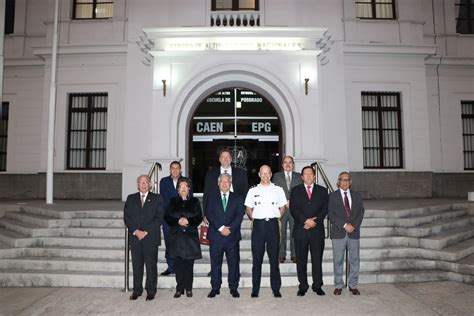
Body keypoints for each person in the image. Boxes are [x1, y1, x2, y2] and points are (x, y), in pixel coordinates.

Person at [245, 165, 287, 298]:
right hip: (258, 225)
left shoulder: (278, 190)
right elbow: (248, 208)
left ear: (271, 174)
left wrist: (276, 217)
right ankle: (255, 289)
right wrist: (256, 219)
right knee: (257, 260)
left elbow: (282, 207)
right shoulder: (252, 190)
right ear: (259, 174)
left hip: (273, 225)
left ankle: (276, 289)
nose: (265, 176)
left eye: (268, 173)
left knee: (274, 259)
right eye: (263, 173)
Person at [123, 175, 164, 301]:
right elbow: (127, 217)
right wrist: (136, 231)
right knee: (137, 265)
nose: (143, 184)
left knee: (151, 266)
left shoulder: (157, 198)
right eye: (141, 182)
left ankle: (151, 291)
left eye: (146, 182)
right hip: (135, 238)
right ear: (137, 184)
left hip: (150, 237)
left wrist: (145, 232)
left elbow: (159, 218)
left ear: (150, 184)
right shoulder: (131, 198)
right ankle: (137, 290)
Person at [290, 166, 328, 296]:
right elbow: (294, 209)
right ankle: (303, 286)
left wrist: (313, 223)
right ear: (301, 177)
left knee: (317, 260)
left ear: (314, 176)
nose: (308, 176)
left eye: (310, 174)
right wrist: (305, 221)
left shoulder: (323, 191)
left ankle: (317, 285)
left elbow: (324, 210)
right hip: (301, 230)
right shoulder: (295, 191)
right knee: (301, 260)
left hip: (317, 231)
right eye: (305, 174)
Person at [206, 173, 245, 299]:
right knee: (215, 264)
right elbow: (209, 214)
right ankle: (215, 288)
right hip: (216, 236)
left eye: (227, 181)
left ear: (230, 182)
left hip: (232, 237)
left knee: (233, 264)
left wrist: (230, 229)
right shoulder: (212, 197)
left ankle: (233, 288)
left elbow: (239, 216)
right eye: (222, 181)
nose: (224, 184)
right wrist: (221, 228)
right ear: (218, 183)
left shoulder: (237, 198)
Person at [164, 178, 203, 298]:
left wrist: (188, 221)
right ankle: (179, 289)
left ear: (189, 189)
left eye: (186, 186)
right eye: (181, 186)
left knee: (189, 265)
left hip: (190, 238)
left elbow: (199, 217)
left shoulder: (195, 201)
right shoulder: (172, 201)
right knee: (178, 265)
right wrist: (178, 221)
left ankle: (189, 288)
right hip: (176, 237)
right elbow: (167, 217)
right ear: (178, 189)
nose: (183, 188)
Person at [328, 171, 365, 296]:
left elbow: (361, 212)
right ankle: (339, 285)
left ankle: (353, 285)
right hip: (339, 233)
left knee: (354, 260)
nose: (344, 182)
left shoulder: (357, 196)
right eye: (342, 180)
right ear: (338, 182)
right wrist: (344, 225)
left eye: (347, 180)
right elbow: (331, 214)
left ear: (350, 182)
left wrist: (353, 225)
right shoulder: (332, 196)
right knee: (338, 260)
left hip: (353, 233)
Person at [159, 161, 193, 276]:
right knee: (169, 242)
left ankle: (181, 267)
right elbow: (163, 200)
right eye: (172, 168)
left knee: (182, 242)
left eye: (177, 168)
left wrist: (186, 216)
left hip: (183, 218)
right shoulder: (164, 182)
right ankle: (171, 267)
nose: (175, 170)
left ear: (180, 170)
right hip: (168, 218)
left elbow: (190, 198)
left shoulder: (187, 181)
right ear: (169, 170)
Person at [272, 155, 302, 264]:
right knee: (281, 232)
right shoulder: (276, 176)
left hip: (295, 209)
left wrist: (293, 202)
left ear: (293, 165)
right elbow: (274, 192)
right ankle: (281, 254)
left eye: (290, 162)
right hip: (281, 208)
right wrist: (284, 202)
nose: (288, 164)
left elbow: (301, 192)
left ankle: (295, 254)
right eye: (285, 162)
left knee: (295, 232)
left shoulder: (299, 176)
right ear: (282, 165)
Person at [203, 148, 248, 215]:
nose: (225, 159)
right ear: (219, 159)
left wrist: (243, 210)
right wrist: (205, 214)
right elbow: (206, 194)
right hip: (215, 211)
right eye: (223, 157)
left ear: (231, 159)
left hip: (236, 211)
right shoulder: (211, 174)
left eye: (228, 157)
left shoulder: (241, 174)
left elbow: (245, 193)